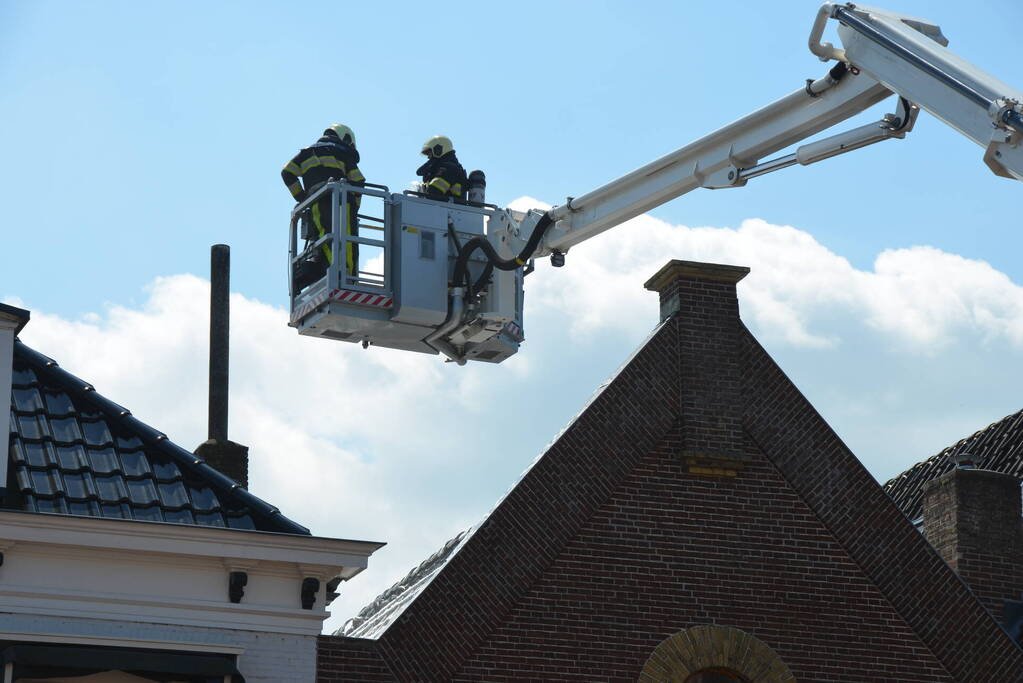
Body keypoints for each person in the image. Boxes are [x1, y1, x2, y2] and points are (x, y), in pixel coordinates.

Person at [281, 123, 366, 291]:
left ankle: (325, 276)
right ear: (345, 138)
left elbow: (287, 172)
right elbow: (358, 181)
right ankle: (348, 281)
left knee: (323, 240)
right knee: (346, 241)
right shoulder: (343, 153)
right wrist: (355, 207)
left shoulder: (306, 153)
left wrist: (302, 197)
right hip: (341, 204)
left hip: (315, 207)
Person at [416, 135, 468, 203]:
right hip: (444, 208)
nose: (428, 157)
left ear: (438, 150)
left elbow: (433, 192)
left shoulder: (449, 169)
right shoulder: (442, 167)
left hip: (449, 209)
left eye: (429, 153)